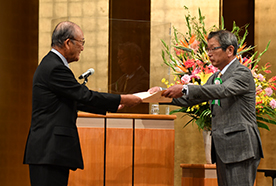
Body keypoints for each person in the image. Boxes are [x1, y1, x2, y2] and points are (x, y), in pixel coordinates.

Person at [23, 21, 142, 186]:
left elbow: (74, 100)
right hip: (48, 151)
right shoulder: (55, 68)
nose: (83, 48)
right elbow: (83, 95)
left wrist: (115, 106)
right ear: (67, 42)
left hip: (49, 152)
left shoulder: (52, 64)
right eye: (81, 42)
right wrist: (122, 99)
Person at [149, 30, 263, 186]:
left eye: (212, 48)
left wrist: (185, 88)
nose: (208, 54)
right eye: (207, 49)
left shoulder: (242, 73)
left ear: (229, 50)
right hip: (223, 148)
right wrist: (160, 95)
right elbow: (192, 99)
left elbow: (222, 90)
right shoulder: (216, 77)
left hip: (240, 148)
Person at [110, 42, 149, 113]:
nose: (119, 62)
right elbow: (111, 88)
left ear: (135, 60)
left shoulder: (144, 79)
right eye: (118, 58)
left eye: (122, 58)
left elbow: (129, 97)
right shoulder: (123, 78)